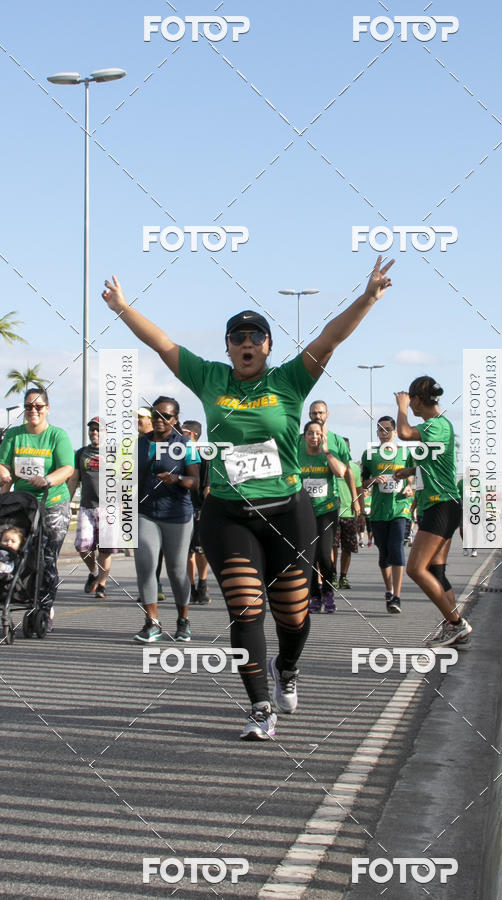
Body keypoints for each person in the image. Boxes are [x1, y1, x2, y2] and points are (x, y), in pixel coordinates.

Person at [102, 256, 394, 740]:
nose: (246, 344)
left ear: (268, 345)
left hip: (288, 511)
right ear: (228, 347)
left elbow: (330, 337)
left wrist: (366, 298)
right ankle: (259, 707)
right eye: (237, 338)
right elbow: (163, 345)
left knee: (294, 616)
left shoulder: (289, 382)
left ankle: (289, 668)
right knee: (244, 609)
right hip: (229, 515)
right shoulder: (210, 378)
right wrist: (123, 309)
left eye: (255, 337)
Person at [394, 377, 472, 646]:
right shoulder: (436, 428)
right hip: (436, 505)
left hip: (443, 505)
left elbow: (403, 433)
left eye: (411, 401)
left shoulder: (436, 425)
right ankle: (454, 627)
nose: (410, 406)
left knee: (416, 569)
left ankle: (456, 623)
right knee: (436, 573)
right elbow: (434, 466)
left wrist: (400, 407)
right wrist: (410, 471)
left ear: (416, 399)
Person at [0, 388, 74, 629]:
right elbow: (3, 466)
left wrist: (48, 480)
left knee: (46, 556)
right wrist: (2, 471)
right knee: (15, 553)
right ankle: (15, 596)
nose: (33, 411)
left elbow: (67, 468)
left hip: (52, 502)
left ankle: (43, 606)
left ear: (47, 408)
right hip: (21, 504)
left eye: (38, 406)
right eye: (29, 406)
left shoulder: (57, 435)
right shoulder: (14, 436)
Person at [133, 396, 200, 643]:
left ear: (175, 419)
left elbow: (195, 481)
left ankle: (183, 621)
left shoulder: (185, 445)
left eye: (166, 416)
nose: (159, 420)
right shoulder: (138, 444)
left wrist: (178, 480)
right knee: (145, 563)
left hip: (177, 514)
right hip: (145, 512)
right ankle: (152, 623)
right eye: (155, 415)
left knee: (176, 570)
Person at [361, 416, 413, 613]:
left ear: (395, 432)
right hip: (379, 511)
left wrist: (409, 488)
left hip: (400, 507)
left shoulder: (405, 453)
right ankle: (389, 589)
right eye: (381, 430)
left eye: (388, 430)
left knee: (396, 547)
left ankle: (397, 597)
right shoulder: (369, 454)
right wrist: (374, 479)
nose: (384, 434)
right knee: (384, 554)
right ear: (377, 433)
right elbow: (363, 483)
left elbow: (413, 478)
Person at [299, 421, 346, 613]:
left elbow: (341, 472)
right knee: (308, 556)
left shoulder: (328, 454)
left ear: (323, 436)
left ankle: (328, 592)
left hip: (326, 510)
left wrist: (326, 452)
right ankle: (314, 596)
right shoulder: (297, 454)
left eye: (318, 434)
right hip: (304, 511)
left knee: (325, 556)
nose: (314, 437)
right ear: (305, 436)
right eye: (310, 433)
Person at [68, 416, 117, 599]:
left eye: (98, 429)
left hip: (109, 509)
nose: (94, 432)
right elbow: (74, 479)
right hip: (87, 507)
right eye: (92, 429)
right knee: (82, 547)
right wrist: (66, 503)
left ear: (106, 432)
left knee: (105, 549)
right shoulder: (81, 453)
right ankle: (95, 572)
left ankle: (102, 584)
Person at [181, 419, 211, 604]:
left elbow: (207, 487)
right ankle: (190, 587)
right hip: (182, 508)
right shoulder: (178, 455)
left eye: (182, 432)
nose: (179, 435)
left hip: (200, 508)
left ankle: (203, 583)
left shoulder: (205, 456)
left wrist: (206, 510)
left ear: (192, 435)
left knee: (200, 550)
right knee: (186, 551)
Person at [137, 406, 165, 601]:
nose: (138, 420)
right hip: (140, 502)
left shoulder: (165, 440)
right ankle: (151, 586)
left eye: (141, 417)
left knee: (159, 547)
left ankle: (156, 584)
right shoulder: (136, 443)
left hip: (165, 503)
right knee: (144, 545)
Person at [332, 438, 362, 589]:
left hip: (349, 513)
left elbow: (359, 490)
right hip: (333, 511)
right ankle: (332, 575)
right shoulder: (330, 466)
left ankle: (343, 577)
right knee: (333, 546)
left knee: (347, 547)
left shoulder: (355, 468)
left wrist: (361, 512)